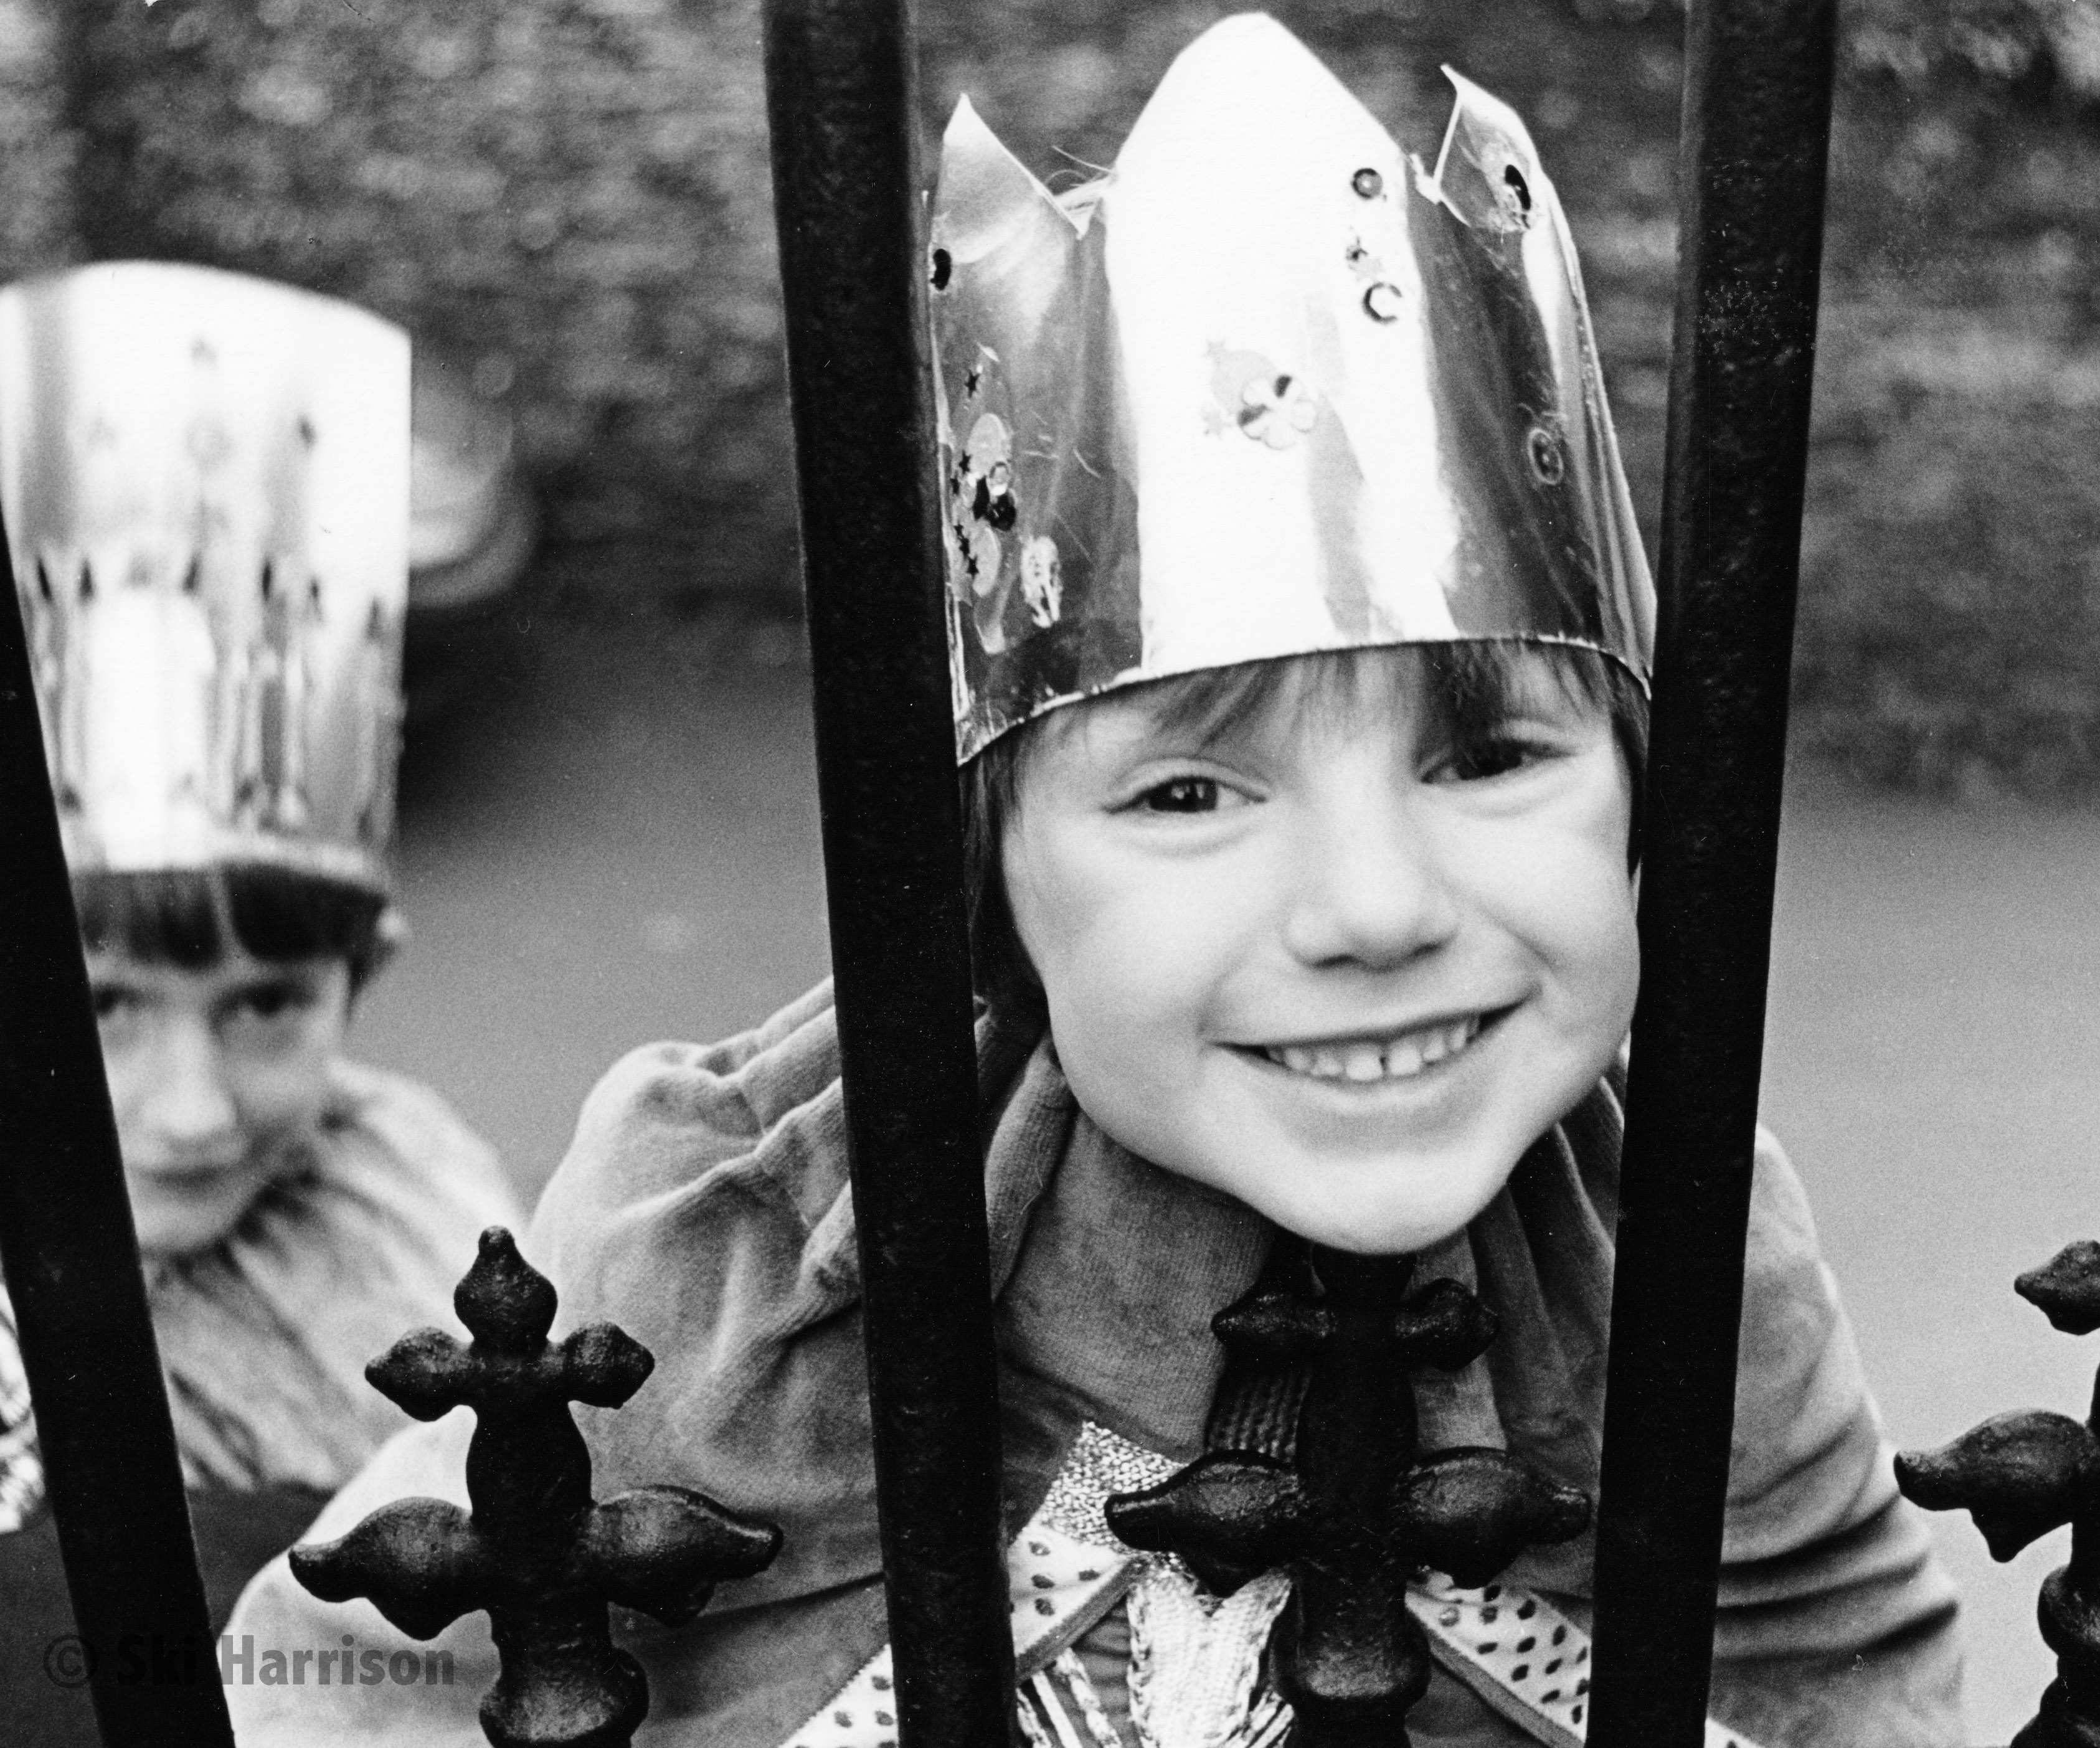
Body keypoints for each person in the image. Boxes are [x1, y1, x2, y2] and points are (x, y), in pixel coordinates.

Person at [229, 19, 1962, 1747]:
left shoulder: (1683, 1251)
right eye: (1193, 791)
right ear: (992, 899)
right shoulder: (743, 1266)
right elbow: (361, 1668)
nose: (1372, 908)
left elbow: (1851, 1673)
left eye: (1487, 759)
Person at [0, 262, 525, 1721]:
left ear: (366, 978)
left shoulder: (419, 1208)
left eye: (265, 1006)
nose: (187, 1110)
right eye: (98, 1007)